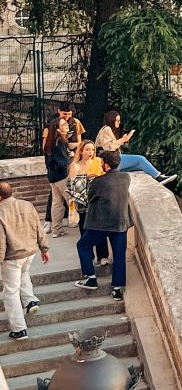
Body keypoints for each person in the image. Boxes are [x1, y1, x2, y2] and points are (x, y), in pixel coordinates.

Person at [75, 150, 138, 301]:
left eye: (102, 162)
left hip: (101, 224)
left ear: (107, 165)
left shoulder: (99, 182)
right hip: (121, 223)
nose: (101, 164)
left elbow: (90, 198)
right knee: (119, 255)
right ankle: (117, 289)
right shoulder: (126, 177)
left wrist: (93, 180)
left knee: (83, 245)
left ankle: (91, 278)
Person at [0, 180, 50, 339]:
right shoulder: (27, 205)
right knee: (23, 274)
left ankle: (19, 329)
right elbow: (38, 227)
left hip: (12, 256)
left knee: (10, 292)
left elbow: (0, 241)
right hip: (30, 252)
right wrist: (44, 248)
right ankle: (31, 301)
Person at [96, 110, 176, 185]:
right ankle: (158, 177)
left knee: (140, 166)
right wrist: (123, 140)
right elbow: (109, 147)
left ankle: (157, 177)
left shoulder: (107, 129)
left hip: (112, 161)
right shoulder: (107, 129)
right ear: (111, 120)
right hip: (110, 159)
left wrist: (123, 140)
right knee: (140, 159)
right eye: (117, 120)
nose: (119, 122)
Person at [67, 140, 109, 267]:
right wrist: (87, 177)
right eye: (87, 150)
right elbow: (72, 185)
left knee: (100, 228)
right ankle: (89, 255)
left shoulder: (97, 162)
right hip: (83, 203)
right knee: (85, 229)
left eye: (92, 150)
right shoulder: (75, 166)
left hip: (97, 201)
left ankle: (103, 256)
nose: (90, 152)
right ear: (81, 151)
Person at [42, 115, 74, 237]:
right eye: (64, 125)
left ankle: (56, 230)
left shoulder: (51, 141)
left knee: (57, 203)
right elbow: (62, 162)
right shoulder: (60, 141)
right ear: (58, 129)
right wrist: (69, 157)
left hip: (52, 176)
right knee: (72, 201)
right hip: (61, 176)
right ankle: (81, 224)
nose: (67, 126)